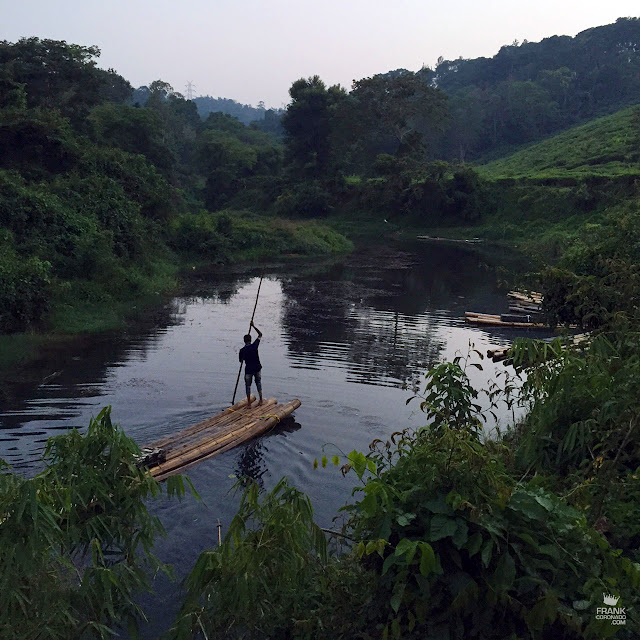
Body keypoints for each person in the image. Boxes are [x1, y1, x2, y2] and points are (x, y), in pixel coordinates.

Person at [239, 320, 263, 408]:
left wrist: (243, 358)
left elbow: (241, 361)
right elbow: (260, 334)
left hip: (249, 370)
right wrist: (253, 326)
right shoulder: (254, 345)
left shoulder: (242, 350)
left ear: (244, 341)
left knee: (248, 386)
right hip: (257, 368)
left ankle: (249, 404)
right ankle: (260, 400)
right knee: (258, 383)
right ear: (250, 340)